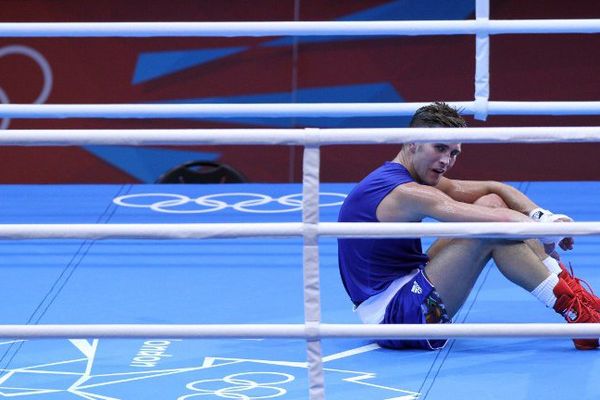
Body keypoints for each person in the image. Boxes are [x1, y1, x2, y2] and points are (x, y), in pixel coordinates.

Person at [337, 102, 600, 351]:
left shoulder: (402, 175)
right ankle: (576, 313)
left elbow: (495, 188)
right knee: (488, 230)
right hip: (396, 321)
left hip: (406, 291)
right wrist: (546, 235)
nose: (446, 161)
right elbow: (503, 222)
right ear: (412, 143)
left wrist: (545, 218)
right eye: (439, 148)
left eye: (453, 153)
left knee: (490, 203)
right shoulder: (405, 191)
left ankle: (578, 299)